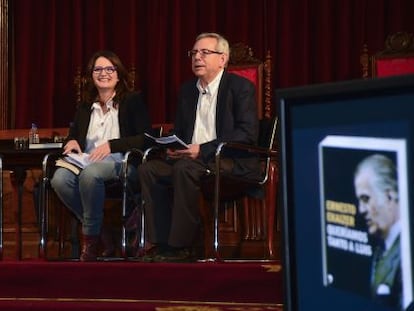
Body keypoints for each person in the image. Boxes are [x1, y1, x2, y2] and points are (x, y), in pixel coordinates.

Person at [137, 32, 260, 262]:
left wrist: (202, 150)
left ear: (222, 59)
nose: (197, 57)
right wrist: (173, 145)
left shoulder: (240, 88)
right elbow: (182, 132)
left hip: (230, 160)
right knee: (149, 170)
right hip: (191, 159)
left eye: (205, 52)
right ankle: (161, 243)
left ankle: (183, 246)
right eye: (194, 53)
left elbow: (247, 134)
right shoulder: (187, 91)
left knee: (185, 169)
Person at [51, 50, 151, 261]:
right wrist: (72, 141)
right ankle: (102, 229)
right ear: (91, 75)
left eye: (109, 69)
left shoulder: (132, 101)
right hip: (86, 161)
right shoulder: (86, 107)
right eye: (98, 69)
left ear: (118, 74)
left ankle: (91, 241)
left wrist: (113, 145)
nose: (103, 73)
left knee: (90, 174)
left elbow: (146, 138)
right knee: (59, 179)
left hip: (122, 164)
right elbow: (75, 135)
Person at [354, 154, 402, 309]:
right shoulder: (380, 251)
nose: (361, 210)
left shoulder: (404, 253)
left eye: (366, 199)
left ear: (389, 196)